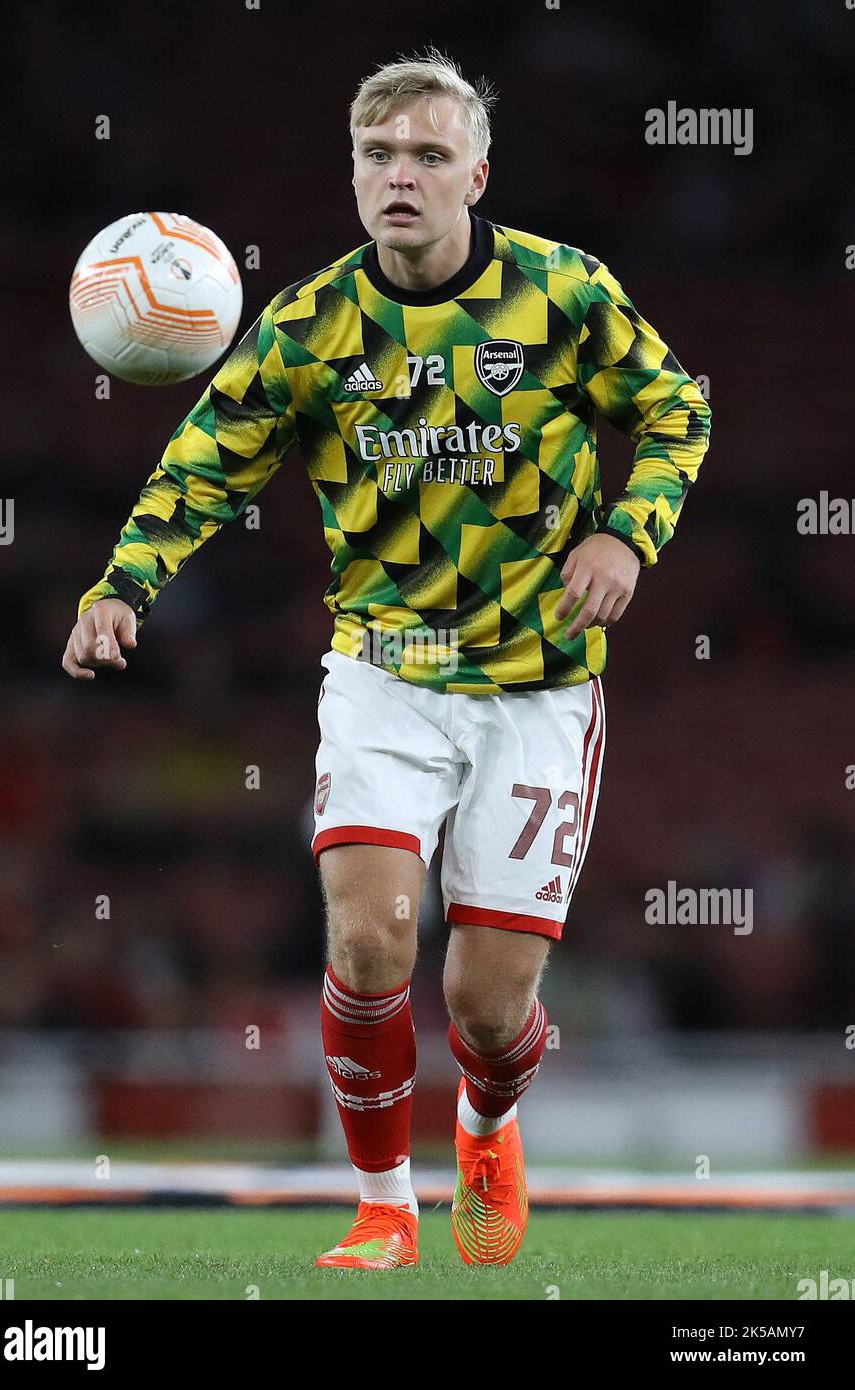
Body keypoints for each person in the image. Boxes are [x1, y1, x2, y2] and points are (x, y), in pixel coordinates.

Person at [63, 50, 711, 1270]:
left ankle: (487, 1125)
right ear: (353, 175)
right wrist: (121, 587)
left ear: (476, 170)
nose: (398, 176)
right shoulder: (310, 326)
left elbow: (678, 410)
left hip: (537, 687)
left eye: (424, 154)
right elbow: (204, 464)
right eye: (376, 155)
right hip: (384, 676)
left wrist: (629, 532)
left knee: (485, 1005)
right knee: (367, 945)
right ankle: (381, 1207)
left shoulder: (563, 293)